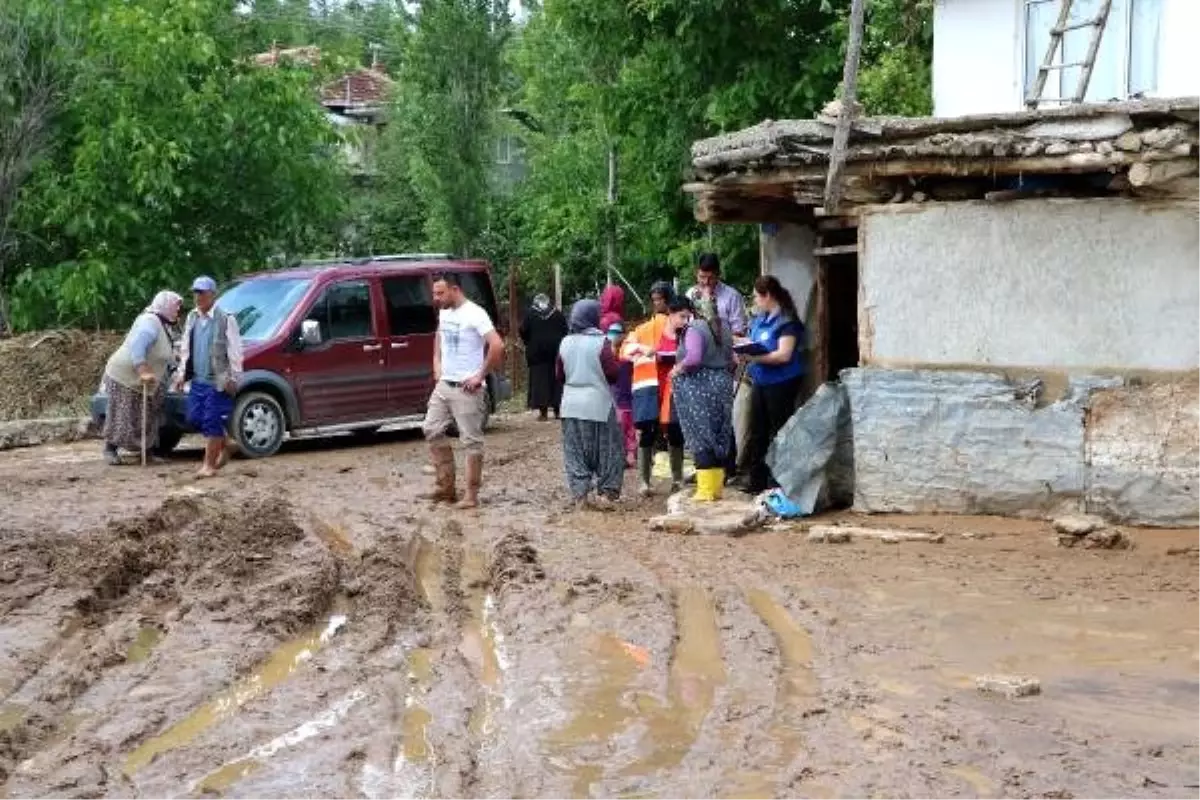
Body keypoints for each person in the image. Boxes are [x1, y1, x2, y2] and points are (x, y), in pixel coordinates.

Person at [421, 272, 505, 509]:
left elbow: (497, 344)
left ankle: (471, 495)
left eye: (440, 293)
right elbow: (440, 336)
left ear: (455, 289)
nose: (436, 298)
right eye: (435, 293)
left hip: (466, 390)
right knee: (431, 428)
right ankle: (445, 487)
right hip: (444, 385)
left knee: (471, 442)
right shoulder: (445, 311)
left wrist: (480, 375)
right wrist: (436, 364)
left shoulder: (475, 314)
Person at [738, 275, 806, 495]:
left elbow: (784, 355)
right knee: (758, 430)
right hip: (761, 380)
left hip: (782, 381)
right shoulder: (760, 319)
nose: (755, 301)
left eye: (757, 296)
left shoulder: (788, 322)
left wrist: (755, 358)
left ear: (768, 296)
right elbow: (752, 341)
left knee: (779, 430)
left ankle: (778, 480)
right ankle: (756, 479)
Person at [101, 291, 184, 466]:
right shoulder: (150, 323)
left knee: (148, 415)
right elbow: (138, 347)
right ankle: (110, 449)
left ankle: (147, 452)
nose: (178, 309)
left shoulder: (163, 324)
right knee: (124, 415)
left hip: (148, 380)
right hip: (126, 375)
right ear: (165, 306)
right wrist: (143, 370)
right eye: (176, 306)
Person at [557, 300, 624, 509]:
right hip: (598, 404)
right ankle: (606, 494)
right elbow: (612, 374)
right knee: (607, 450)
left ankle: (580, 496)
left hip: (570, 405)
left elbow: (559, 375)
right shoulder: (601, 342)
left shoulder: (565, 342)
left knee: (574, 451)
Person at [621, 280, 684, 496]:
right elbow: (624, 351)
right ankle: (648, 481)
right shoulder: (646, 329)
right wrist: (643, 348)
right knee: (653, 433)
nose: (658, 304)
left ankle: (670, 480)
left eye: (661, 300)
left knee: (672, 432)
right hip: (652, 386)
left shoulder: (679, 327)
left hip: (667, 386)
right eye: (655, 300)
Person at [669, 297, 735, 501]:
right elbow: (732, 359)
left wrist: (677, 369)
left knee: (701, 435)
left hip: (700, 388)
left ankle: (705, 490)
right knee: (719, 434)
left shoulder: (696, 328)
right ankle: (716, 488)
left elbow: (694, 358)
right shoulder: (724, 327)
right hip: (722, 384)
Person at [176, 277, 242, 478]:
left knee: (212, 421)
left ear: (213, 294)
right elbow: (186, 348)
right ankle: (226, 442)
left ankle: (208, 466)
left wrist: (234, 378)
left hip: (218, 381)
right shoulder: (192, 317)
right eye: (196, 292)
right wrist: (181, 374)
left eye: (203, 293)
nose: (198, 297)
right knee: (195, 418)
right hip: (198, 379)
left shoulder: (226, 318)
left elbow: (235, 351)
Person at [519, 293, 567, 421]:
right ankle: (558, 411)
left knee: (540, 381)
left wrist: (529, 342)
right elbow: (565, 331)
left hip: (537, 354)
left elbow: (523, 331)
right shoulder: (557, 314)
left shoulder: (530, 314)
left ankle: (543, 413)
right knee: (556, 380)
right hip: (556, 351)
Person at [687, 252, 747, 337]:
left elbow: (739, 330)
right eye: (702, 277)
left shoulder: (732, 296)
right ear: (696, 273)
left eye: (710, 278)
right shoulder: (690, 294)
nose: (706, 282)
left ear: (718, 274)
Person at [606, 321, 637, 468]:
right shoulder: (630, 364)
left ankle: (623, 456)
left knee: (620, 432)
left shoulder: (614, 365)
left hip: (619, 404)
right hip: (631, 403)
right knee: (630, 431)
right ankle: (631, 455)